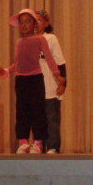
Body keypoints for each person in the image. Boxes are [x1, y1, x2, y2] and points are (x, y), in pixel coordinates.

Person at [0, 8, 65, 154]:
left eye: (28, 21)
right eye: (22, 22)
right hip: (21, 80)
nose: (24, 25)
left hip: (36, 79)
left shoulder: (40, 39)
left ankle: (38, 142)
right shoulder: (19, 42)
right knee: (22, 112)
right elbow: (17, 63)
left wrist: (57, 75)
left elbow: (49, 58)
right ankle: (23, 142)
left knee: (38, 111)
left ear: (34, 24)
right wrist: (6, 71)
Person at [35, 10, 67, 154]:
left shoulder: (51, 38)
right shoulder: (29, 40)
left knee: (52, 118)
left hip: (50, 86)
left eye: (40, 20)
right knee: (38, 119)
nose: (36, 23)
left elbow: (60, 61)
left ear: (46, 23)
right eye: (34, 20)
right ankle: (39, 145)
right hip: (35, 86)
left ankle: (53, 147)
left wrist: (63, 83)